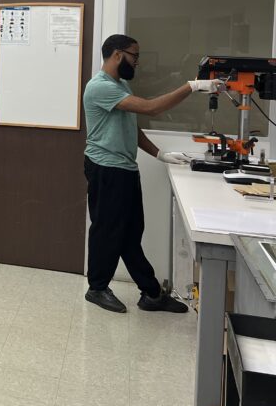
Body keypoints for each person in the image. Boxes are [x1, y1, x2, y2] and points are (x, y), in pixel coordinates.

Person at [83, 34, 221, 314]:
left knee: (130, 233)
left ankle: (151, 294)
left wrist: (159, 154)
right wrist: (192, 86)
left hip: (124, 169)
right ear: (118, 55)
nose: (138, 63)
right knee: (107, 231)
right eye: (135, 57)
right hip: (106, 169)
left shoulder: (120, 85)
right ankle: (97, 288)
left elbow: (131, 127)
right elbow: (150, 107)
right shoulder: (99, 87)